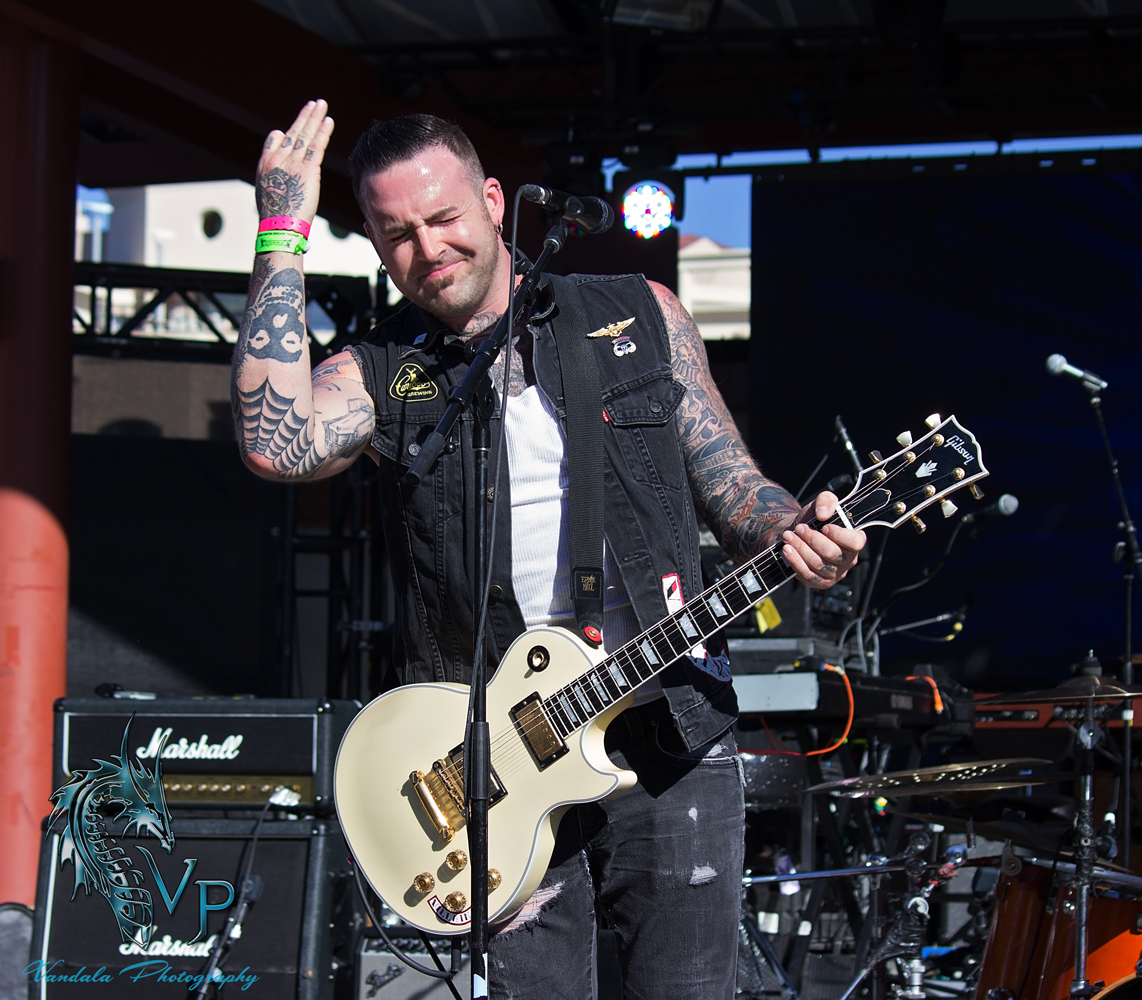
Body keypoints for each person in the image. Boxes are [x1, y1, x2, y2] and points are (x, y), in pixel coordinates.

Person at [232, 99, 866, 1000]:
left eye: (445, 217)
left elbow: (731, 484)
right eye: (398, 233)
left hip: (669, 731)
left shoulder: (637, 314)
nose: (428, 248)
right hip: (497, 761)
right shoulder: (382, 370)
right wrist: (281, 232)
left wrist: (792, 528)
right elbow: (273, 443)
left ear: (494, 202)